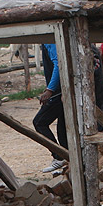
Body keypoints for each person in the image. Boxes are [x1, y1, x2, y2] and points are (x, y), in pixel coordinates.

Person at [33, 40, 67, 173]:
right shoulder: (47, 41)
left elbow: (58, 64)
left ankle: (59, 156)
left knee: (39, 122)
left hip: (58, 91)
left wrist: (50, 90)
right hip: (62, 90)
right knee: (62, 126)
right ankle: (65, 159)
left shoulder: (49, 41)